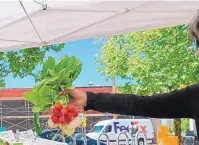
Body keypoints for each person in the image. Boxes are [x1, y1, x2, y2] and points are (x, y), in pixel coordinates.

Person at [64, 12, 199, 134]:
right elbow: (140, 104)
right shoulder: (194, 96)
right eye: (197, 43)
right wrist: (88, 98)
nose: (197, 53)